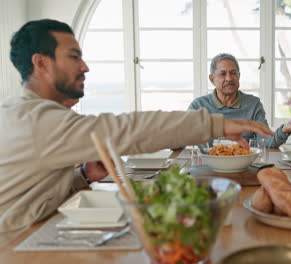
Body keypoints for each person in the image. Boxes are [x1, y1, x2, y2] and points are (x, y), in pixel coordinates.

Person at [0, 19, 274, 247]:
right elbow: (126, 130)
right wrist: (215, 125)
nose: (85, 67)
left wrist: (82, 177)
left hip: (32, 235)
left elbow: (30, 194)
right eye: (74, 57)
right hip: (14, 249)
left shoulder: (32, 114)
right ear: (42, 63)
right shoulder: (36, 120)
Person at [188, 53, 291, 148]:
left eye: (233, 73)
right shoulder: (198, 106)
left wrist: (285, 129)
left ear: (239, 76)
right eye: (222, 74)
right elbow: (181, 138)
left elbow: (266, 142)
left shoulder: (253, 104)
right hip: (208, 167)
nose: (229, 78)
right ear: (212, 79)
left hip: (244, 167)